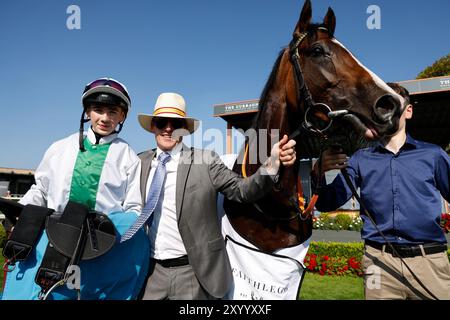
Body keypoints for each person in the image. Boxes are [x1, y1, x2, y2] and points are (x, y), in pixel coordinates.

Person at [134, 92, 297, 299]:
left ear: (183, 129)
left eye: (175, 123)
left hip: (193, 274)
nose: (168, 129)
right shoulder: (139, 162)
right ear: (152, 126)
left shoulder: (206, 160)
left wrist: (272, 164)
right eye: (161, 122)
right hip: (150, 273)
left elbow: (242, 191)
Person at [2, 78, 150, 300]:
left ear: (123, 116)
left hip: (100, 245)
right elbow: (40, 191)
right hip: (52, 239)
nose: (105, 118)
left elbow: (133, 207)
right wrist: (20, 219)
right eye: (98, 110)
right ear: (88, 111)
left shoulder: (128, 157)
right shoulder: (60, 148)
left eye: (113, 112)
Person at [311, 83, 450, 300]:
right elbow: (327, 202)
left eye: (392, 102)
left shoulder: (433, 155)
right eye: (381, 103)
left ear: (408, 110)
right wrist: (317, 172)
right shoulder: (359, 159)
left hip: (430, 263)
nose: (386, 109)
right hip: (378, 263)